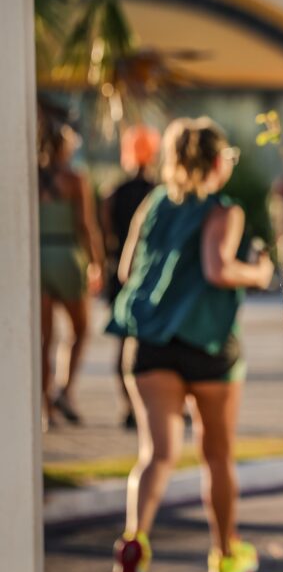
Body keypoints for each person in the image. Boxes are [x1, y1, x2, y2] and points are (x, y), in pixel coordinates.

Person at [107, 117, 274, 572]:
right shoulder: (223, 209)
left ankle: (135, 537)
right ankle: (224, 559)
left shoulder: (155, 203)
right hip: (207, 346)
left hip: (148, 345)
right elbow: (217, 268)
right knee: (216, 455)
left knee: (155, 454)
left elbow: (125, 269)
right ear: (219, 161)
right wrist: (260, 271)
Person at [38, 120, 105, 429]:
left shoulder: (32, 178)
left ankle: (45, 405)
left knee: (44, 339)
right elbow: (85, 226)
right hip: (67, 256)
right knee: (80, 329)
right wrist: (97, 262)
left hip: (38, 258)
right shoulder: (74, 179)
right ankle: (65, 389)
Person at [101, 125, 160, 429]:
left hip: (121, 274)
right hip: (152, 276)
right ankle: (148, 406)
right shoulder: (159, 193)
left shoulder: (115, 193)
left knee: (124, 343)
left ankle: (129, 406)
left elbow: (106, 233)